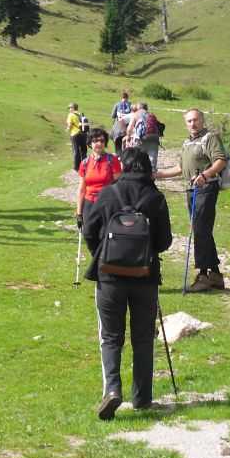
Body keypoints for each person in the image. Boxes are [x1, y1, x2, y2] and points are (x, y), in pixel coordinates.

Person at [83, 148, 172, 420]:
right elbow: (165, 242)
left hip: (109, 277)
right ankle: (142, 398)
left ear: (123, 165)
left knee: (110, 338)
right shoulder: (155, 197)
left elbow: (88, 229)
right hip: (144, 278)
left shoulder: (109, 193)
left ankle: (112, 390)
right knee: (143, 339)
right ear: (146, 167)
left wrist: (103, 255)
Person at [154, 109, 228, 291]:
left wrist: (205, 174)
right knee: (202, 229)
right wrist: (155, 174)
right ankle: (216, 275)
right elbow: (180, 167)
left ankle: (203, 275)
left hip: (206, 187)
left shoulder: (210, 138)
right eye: (189, 121)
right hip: (192, 189)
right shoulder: (187, 141)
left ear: (202, 120)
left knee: (200, 230)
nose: (192, 124)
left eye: (195, 120)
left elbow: (220, 160)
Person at [75, 127, 122, 227]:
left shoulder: (112, 160)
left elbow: (119, 186)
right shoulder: (84, 163)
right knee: (90, 236)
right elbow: (81, 190)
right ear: (90, 143)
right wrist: (79, 213)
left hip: (108, 203)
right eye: (96, 141)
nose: (99, 143)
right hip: (89, 203)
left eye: (102, 141)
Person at [126, 101, 161, 171]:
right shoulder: (152, 114)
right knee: (152, 158)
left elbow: (129, 128)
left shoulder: (136, 114)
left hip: (141, 139)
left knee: (137, 156)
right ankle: (152, 174)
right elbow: (159, 124)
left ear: (138, 107)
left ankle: (138, 173)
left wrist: (128, 138)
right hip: (154, 138)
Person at [66, 103, 87, 171]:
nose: (69, 109)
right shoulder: (81, 114)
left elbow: (70, 125)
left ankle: (77, 167)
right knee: (83, 150)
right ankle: (85, 165)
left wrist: (68, 129)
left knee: (76, 150)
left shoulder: (71, 115)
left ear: (72, 108)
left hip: (75, 134)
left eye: (69, 108)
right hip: (83, 134)